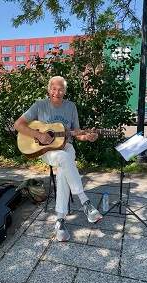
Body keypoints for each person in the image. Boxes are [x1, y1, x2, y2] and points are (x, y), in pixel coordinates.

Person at [14, 76, 103, 241]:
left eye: (61, 89)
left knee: (64, 164)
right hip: (46, 151)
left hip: (66, 148)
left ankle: (60, 221)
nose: (57, 92)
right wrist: (39, 135)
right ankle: (85, 202)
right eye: (54, 89)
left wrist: (88, 137)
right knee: (63, 157)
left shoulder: (71, 107)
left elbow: (77, 133)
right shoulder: (40, 105)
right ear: (49, 90)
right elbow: (18, 124)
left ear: (65, 91)